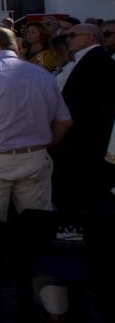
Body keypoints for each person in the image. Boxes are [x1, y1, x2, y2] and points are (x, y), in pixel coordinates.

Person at [0, 24, 72, 316]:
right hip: (34, 159)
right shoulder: (42, 75)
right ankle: (56, 303)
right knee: (43, 230)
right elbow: (64, 122)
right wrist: (42, 145)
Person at [51, 23, 115, 212]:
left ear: (89, 37)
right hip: (80, 138)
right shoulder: (85, 60)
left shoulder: (98, 61)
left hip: (86, 139)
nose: (68, 40)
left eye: (72, 35)